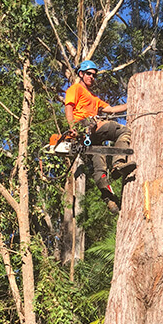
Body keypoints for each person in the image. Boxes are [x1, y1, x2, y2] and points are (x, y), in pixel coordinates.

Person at [64, 60, 136, 214]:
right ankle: (118, 164)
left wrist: (134, 102)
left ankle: (109, 198)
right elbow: (69, 107)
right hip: (84, 127)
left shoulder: (94, 99)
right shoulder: (75, 89)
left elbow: (112, 109)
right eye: (89, 74)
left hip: (91, 134)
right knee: (122, 131)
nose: (92, 77)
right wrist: (72, 128)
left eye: (94, 75)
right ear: (81, 74)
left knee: (99, 164)